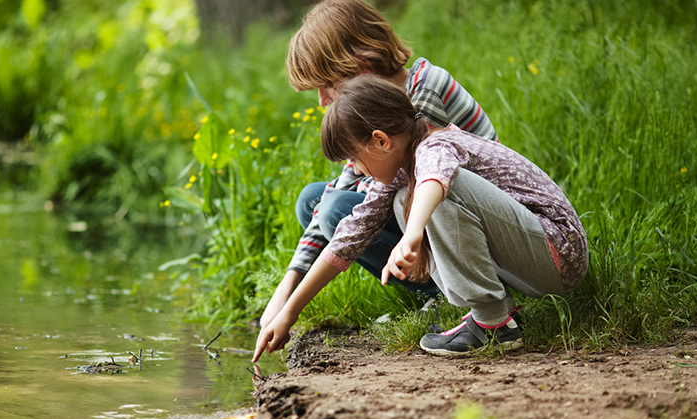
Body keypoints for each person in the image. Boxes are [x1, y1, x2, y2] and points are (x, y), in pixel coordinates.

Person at [252, 75, 588, 361]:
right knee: (402, 199)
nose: (354, 170)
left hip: (558, 253)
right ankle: (500, 314)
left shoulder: (436, 145)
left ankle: (493, 323)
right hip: (529, 260)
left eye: (354, 159)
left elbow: (434, 183)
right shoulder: (400, 169)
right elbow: (348, 237)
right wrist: (289, 311)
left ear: (381, 141)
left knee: (433, 193)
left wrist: (412, 234)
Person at [259, 0, 501, 329]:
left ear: (361, 67)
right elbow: (345, 184)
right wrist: (286, 288)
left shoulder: (421, 93)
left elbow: (377, 199)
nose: (322, 100)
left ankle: (454, 291)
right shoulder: (372, 109)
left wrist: (293, 307)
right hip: (426, 212)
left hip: (477, 228)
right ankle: (435, 292)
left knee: (335, 210)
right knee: (314, 201)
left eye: (327, 84)